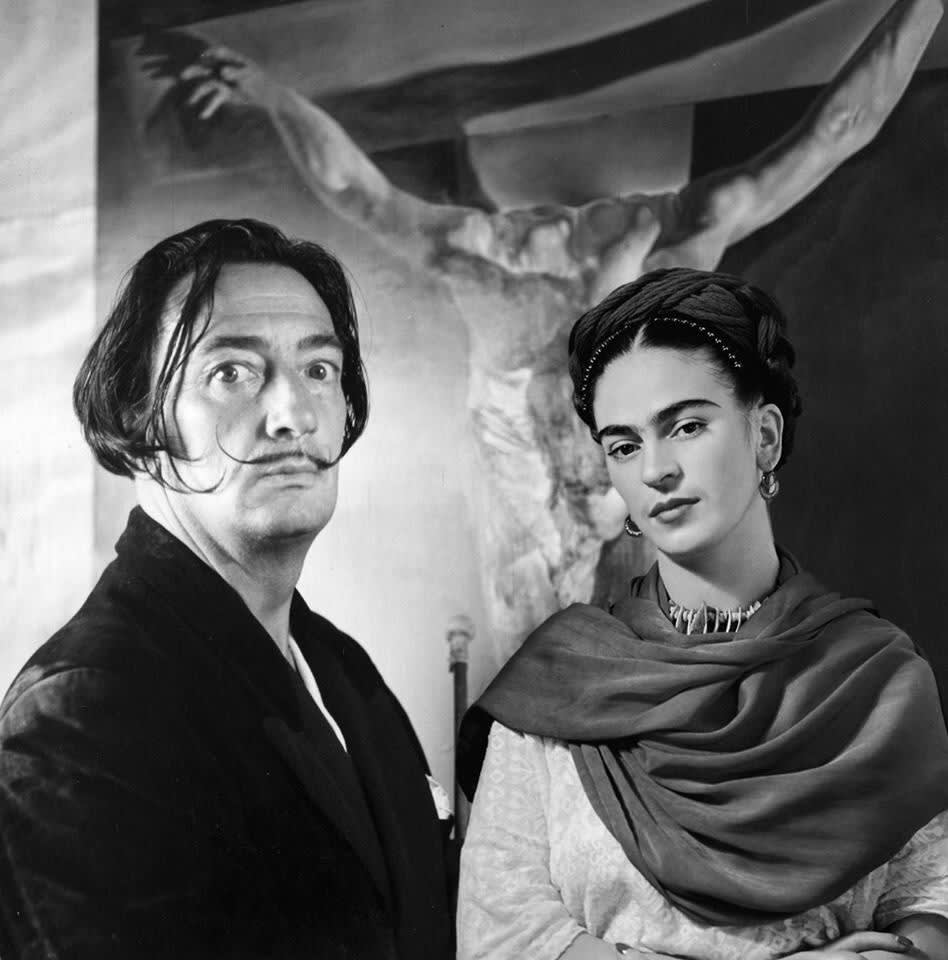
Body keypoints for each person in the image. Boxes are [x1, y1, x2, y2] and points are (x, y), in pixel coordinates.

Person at [151, 0, 942, 657]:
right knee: (552, 692)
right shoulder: (509, 255)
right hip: (534, 487)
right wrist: (270, 94)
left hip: (599, 486)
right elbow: (351, 188)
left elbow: (841, 129)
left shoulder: (550, 251)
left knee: (622, 682)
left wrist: (271, 95)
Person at [455, 267, 948, 960]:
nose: (655, 469)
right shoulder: (556, 686)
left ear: (765, 436)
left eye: (686, 426)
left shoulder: (876, 679)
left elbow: (931, 902)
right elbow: (502, 940)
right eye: (624, 445)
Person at [0, 218, 455, 959]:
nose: (294, 416)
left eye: (319, 370)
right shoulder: (79, 712)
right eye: (231, 373)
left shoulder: (343, 669)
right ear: (138, 421)